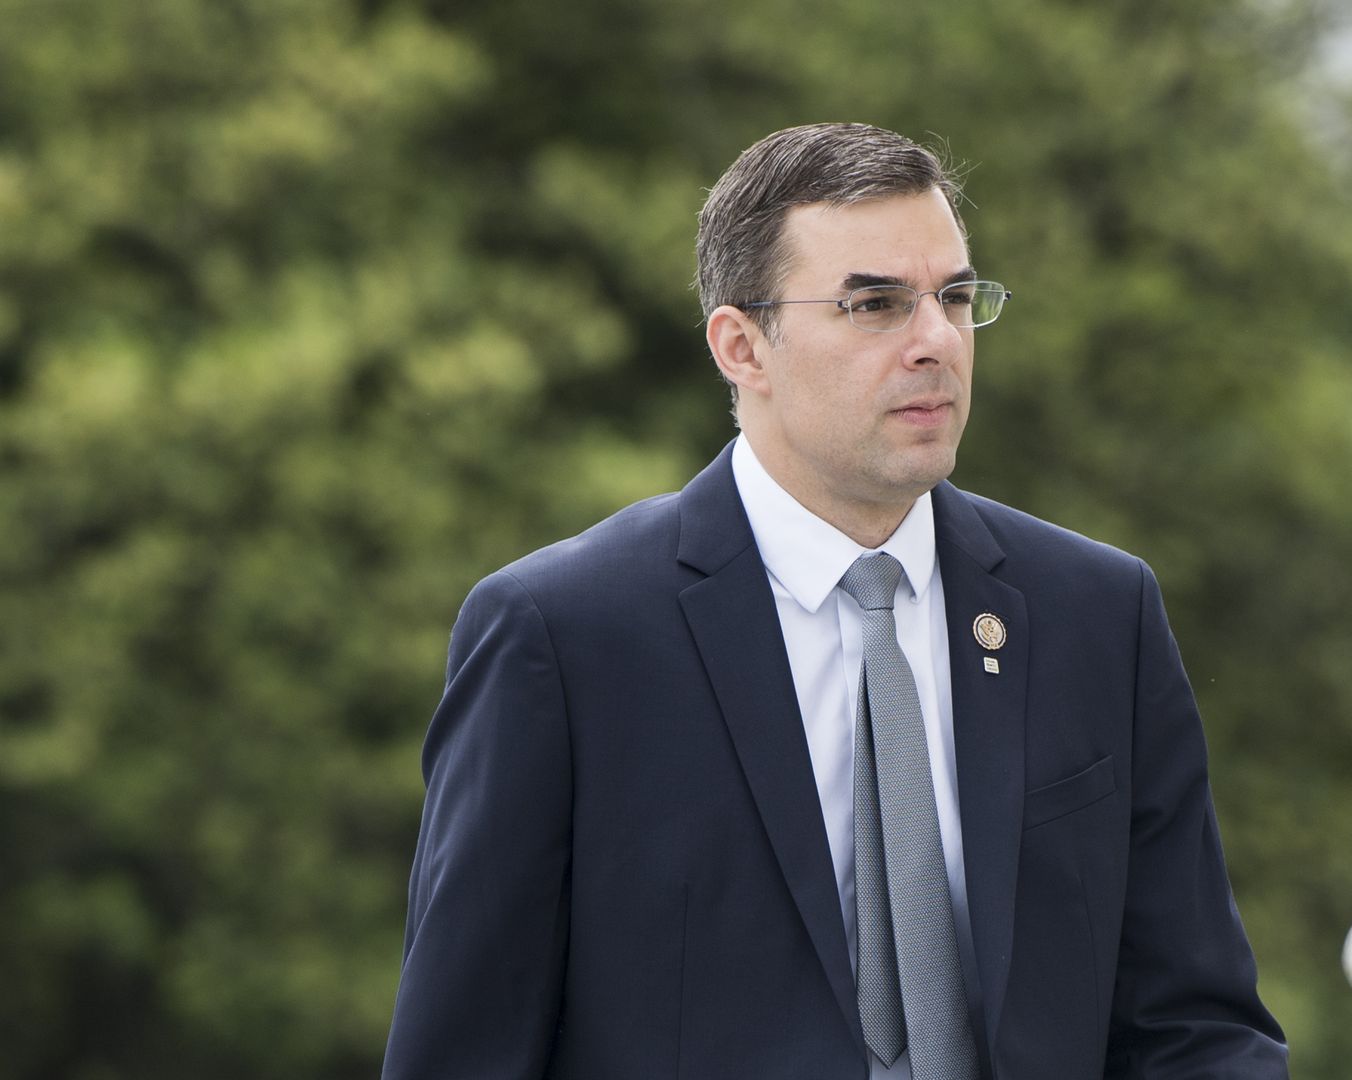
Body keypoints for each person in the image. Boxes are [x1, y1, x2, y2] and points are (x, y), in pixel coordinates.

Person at [382, 122, 1289, 1080]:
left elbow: (1194, 1027)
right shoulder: (560, 637)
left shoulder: (1097, 614)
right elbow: (463, 1048)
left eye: (953, 297)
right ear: (742, 347)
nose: (935, 341)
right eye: (875, 304)